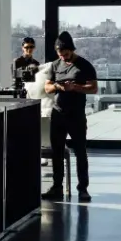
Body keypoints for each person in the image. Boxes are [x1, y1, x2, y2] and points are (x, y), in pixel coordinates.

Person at [41, 31, 98, 203]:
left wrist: (76, 88)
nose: (64, 57)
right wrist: (59, 86)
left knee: (80, 152)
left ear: (72, 50)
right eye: (60, 55)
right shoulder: (55, 65)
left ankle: (83, 189)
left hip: (76, 115)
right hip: (58, 113)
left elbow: (93, 88)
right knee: (57, 152)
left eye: (66, 54)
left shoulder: (84, 65)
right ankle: (57, 187)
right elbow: (47, 88)